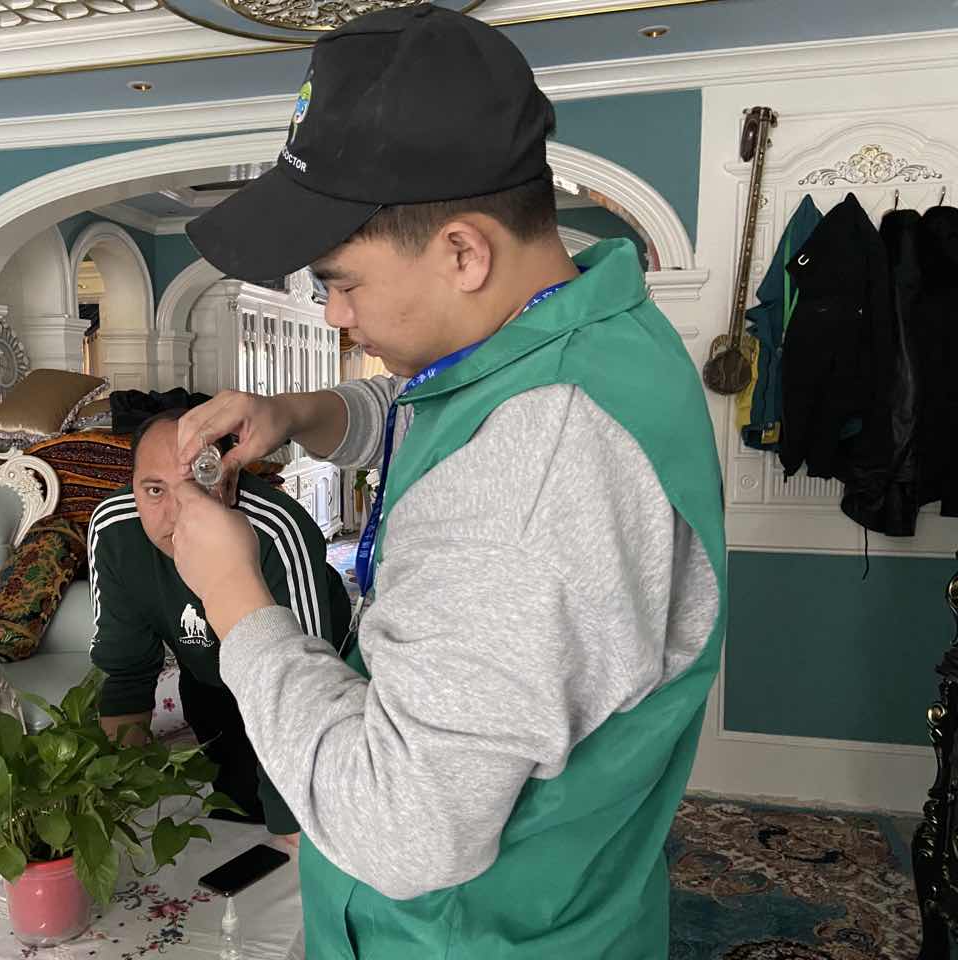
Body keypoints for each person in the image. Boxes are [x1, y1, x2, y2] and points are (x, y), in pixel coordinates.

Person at [165, 5, 727, 957]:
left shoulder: (533, 474)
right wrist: (302, 412)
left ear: (464, 251)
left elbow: (400, 828)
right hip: (561, 904)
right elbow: (437, 399)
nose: (334, 315)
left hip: (460, 935)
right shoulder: (581, 324)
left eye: (341, 282)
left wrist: (232, 595)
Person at [87, 409, 351, 838]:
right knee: (235, 808)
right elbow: (126, 673)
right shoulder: (115, 529)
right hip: (210, 676)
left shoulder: (277, 529)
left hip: (310, 677)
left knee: (316, 821)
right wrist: (113, 804)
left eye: (198, 482)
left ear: (227, 480)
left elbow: (304, 702)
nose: (177, 513)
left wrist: (299, 835)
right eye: (154, 490)